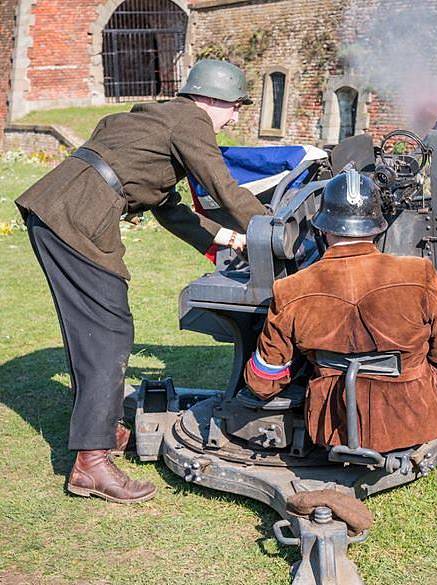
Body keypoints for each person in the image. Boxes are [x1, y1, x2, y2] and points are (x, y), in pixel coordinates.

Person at [15, 59, 267, 504]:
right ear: (212, 100)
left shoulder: (158, 118)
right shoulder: (191, 119)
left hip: (57, 207)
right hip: (79, 216)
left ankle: (103, 427)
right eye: (234, 107)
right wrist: (276, 230)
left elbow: (166, 205)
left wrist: (226, 238)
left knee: (91, 329)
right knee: (108, 332)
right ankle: (90, 464)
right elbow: (224, 187)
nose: (235, 117)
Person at [244, 169, 437, 453]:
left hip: (333, 428)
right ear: (377, 227)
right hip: (415, 420)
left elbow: (263, 382)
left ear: (322, 229)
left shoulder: (290, 289)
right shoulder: (419, 272)